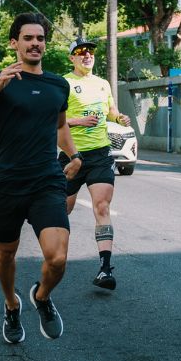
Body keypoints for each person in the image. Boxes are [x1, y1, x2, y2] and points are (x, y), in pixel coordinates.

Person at [0, 13, 82, 344]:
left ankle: (41, 297)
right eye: (28, 38)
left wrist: (74, 156)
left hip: (47, 181)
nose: (35, 43)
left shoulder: (58, 85)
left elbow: (59, 125)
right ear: (14, 43)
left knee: (57, 258)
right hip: (8, 182)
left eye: (40, 38)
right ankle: (11, 304)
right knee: (5, 254)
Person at [61, 38, 131, 291]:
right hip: (72, 155)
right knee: (63, 209)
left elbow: (111, 110)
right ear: (72, 58)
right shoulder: (65, 83)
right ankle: (56, 256)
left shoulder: (103, 84)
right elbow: (54, 119)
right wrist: (78, 121)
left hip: (101, 154)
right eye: (80, 52)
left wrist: (119, 117)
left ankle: (105, 268)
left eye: (90, 51)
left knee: (102, 207)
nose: (87, 55)